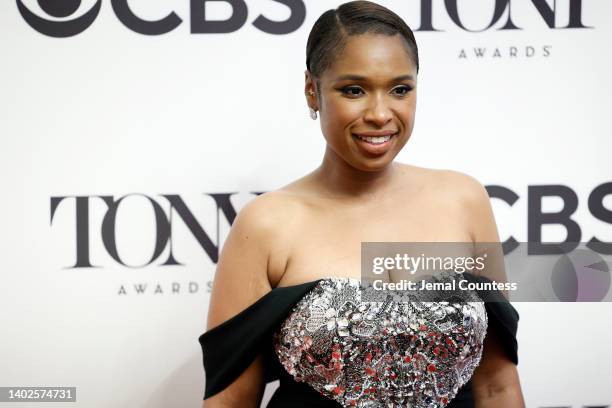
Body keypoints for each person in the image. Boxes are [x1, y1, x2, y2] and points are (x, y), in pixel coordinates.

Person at [199, 1, 525, 407]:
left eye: (400, 89)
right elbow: (230, 401)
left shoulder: (464, 200)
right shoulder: (266, 225)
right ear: (311, 90)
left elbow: (497, 384)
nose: (380, 113)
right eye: (353, 90)